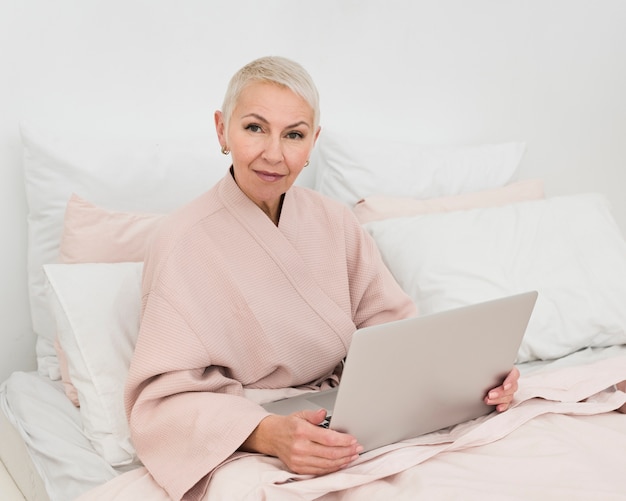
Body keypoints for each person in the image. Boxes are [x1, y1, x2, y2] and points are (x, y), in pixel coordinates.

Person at [124, 56, 520, 501]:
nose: (274, 154)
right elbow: (163, 403)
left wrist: (470, 381)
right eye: (255, 128)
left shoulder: (335, 221)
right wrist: (268, 434)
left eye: (293, 134)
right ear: (222, 129)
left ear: (312, 142)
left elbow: (394, 334)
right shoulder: (180, 241)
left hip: (354, 413)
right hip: (249, 429)